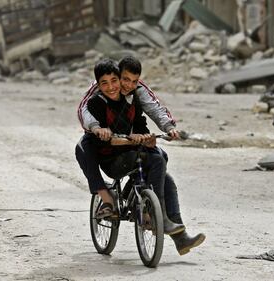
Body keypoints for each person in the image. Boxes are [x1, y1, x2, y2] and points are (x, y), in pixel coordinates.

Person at [75, 57, 205, 255]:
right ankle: (107, 196)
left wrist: (165, 129)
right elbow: (84, 111)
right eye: (123, 80)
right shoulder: (98, 96)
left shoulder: (134, 95)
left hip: (128, 150)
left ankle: (179, 236)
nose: (124, 86)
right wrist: (96, 128)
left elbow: (151, 110)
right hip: (107, 150)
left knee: (163, 168)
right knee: (83, 146)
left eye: (131, 82)